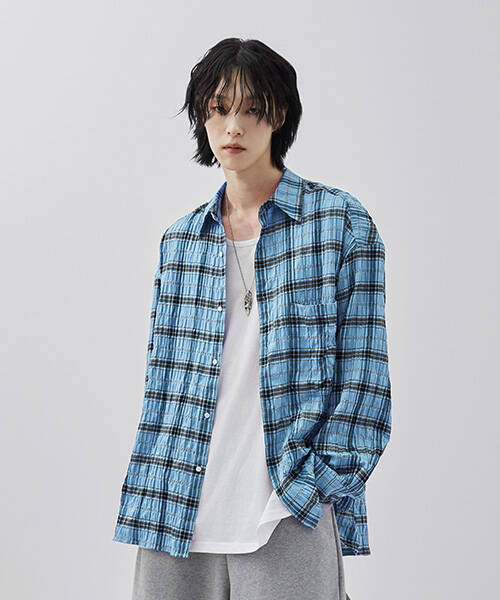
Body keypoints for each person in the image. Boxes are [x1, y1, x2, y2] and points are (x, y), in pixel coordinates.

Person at [113, 37, 391, 600]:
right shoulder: (181, 242)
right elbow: (163, 386)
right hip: (174, 505)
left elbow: (365, 383)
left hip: (285, 510)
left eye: (251, 109)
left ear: (278, 114)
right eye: (218, 110)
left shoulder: (338, 223)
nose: (232, 127)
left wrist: (312, 488)